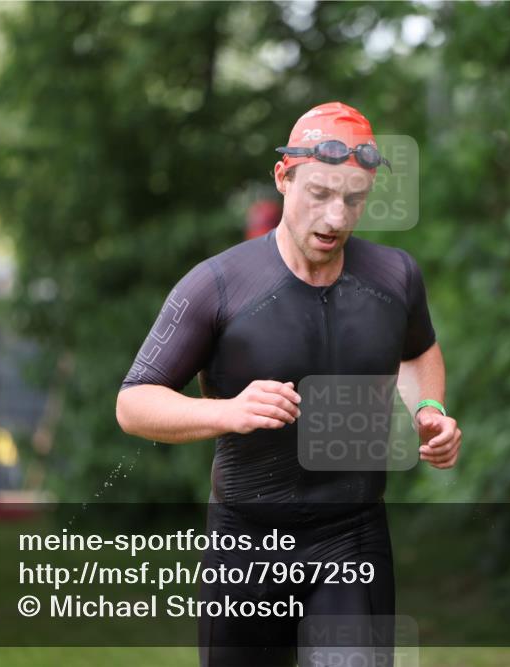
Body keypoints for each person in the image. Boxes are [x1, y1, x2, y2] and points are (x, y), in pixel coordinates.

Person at [116, 101, 462, 666]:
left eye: (353, 198)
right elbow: (133, 403)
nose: (336, 218)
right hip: (246, 546)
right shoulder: (218, 284)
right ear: (284, 177)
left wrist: (430, 408)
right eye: (319, 194)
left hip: (352, 539)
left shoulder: (394, 277)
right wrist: (227, 412)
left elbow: (419, 350)